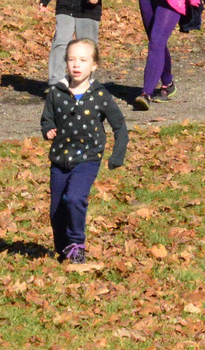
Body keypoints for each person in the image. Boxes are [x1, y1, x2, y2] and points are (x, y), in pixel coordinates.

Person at [40, 38, 128, 264]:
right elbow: (47, 118)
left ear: (94, 65)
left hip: (87, 158)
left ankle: (77, 244)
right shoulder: (56, 92)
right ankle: (62, 249)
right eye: (71, 60)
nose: (76, 65)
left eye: (83, 60)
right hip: (60, 158)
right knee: (56, 210)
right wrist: (48, 129)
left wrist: (117, 154)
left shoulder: (100, 95)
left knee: (75, 198)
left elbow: (119, 126)